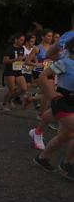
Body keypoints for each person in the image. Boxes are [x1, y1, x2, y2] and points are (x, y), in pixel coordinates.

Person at [32, 37, 74, 180]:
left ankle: (42, 158)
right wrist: (51, 94)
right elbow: (43, 76)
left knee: (65, 136)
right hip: (63, 103)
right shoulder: (65, 63)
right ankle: (67, 165)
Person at [2, 33, 27, 112]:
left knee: (23, 88)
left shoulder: (22, 49)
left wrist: (23, 61)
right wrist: (16, 60)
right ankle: (5, 103)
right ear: (16, 39)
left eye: (23, 40)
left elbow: (21, 59)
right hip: (9, 71)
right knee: (11, 90)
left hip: (18, 71)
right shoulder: (10, 48)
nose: (22, 42)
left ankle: (11, 99)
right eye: (21, 40)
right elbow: (4, 61)